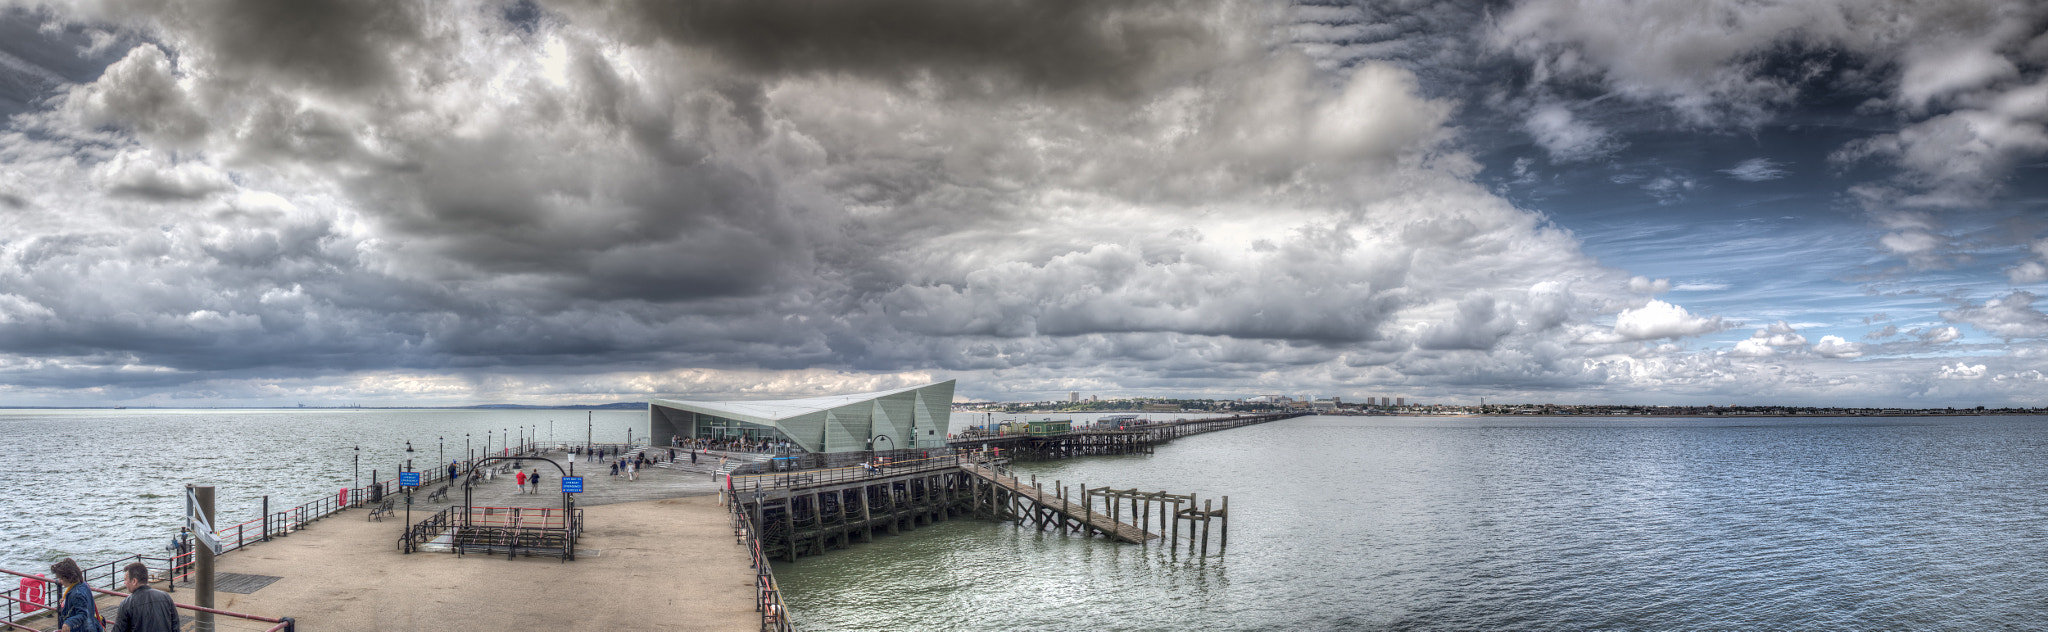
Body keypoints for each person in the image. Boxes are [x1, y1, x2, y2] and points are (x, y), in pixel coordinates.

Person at [110, 562, 176, 632]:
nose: (124, 582)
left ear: (134, 581)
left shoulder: (126, 604)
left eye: (126, 579)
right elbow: (175, 626)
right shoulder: (165, 597)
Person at [50, 557, 101, 632]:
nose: (60, 581)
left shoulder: (76, 594)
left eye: (60, 578)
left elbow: (83, 614)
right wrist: (66, 602)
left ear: (67, 577)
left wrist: (68, 623)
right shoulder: (83, 585)